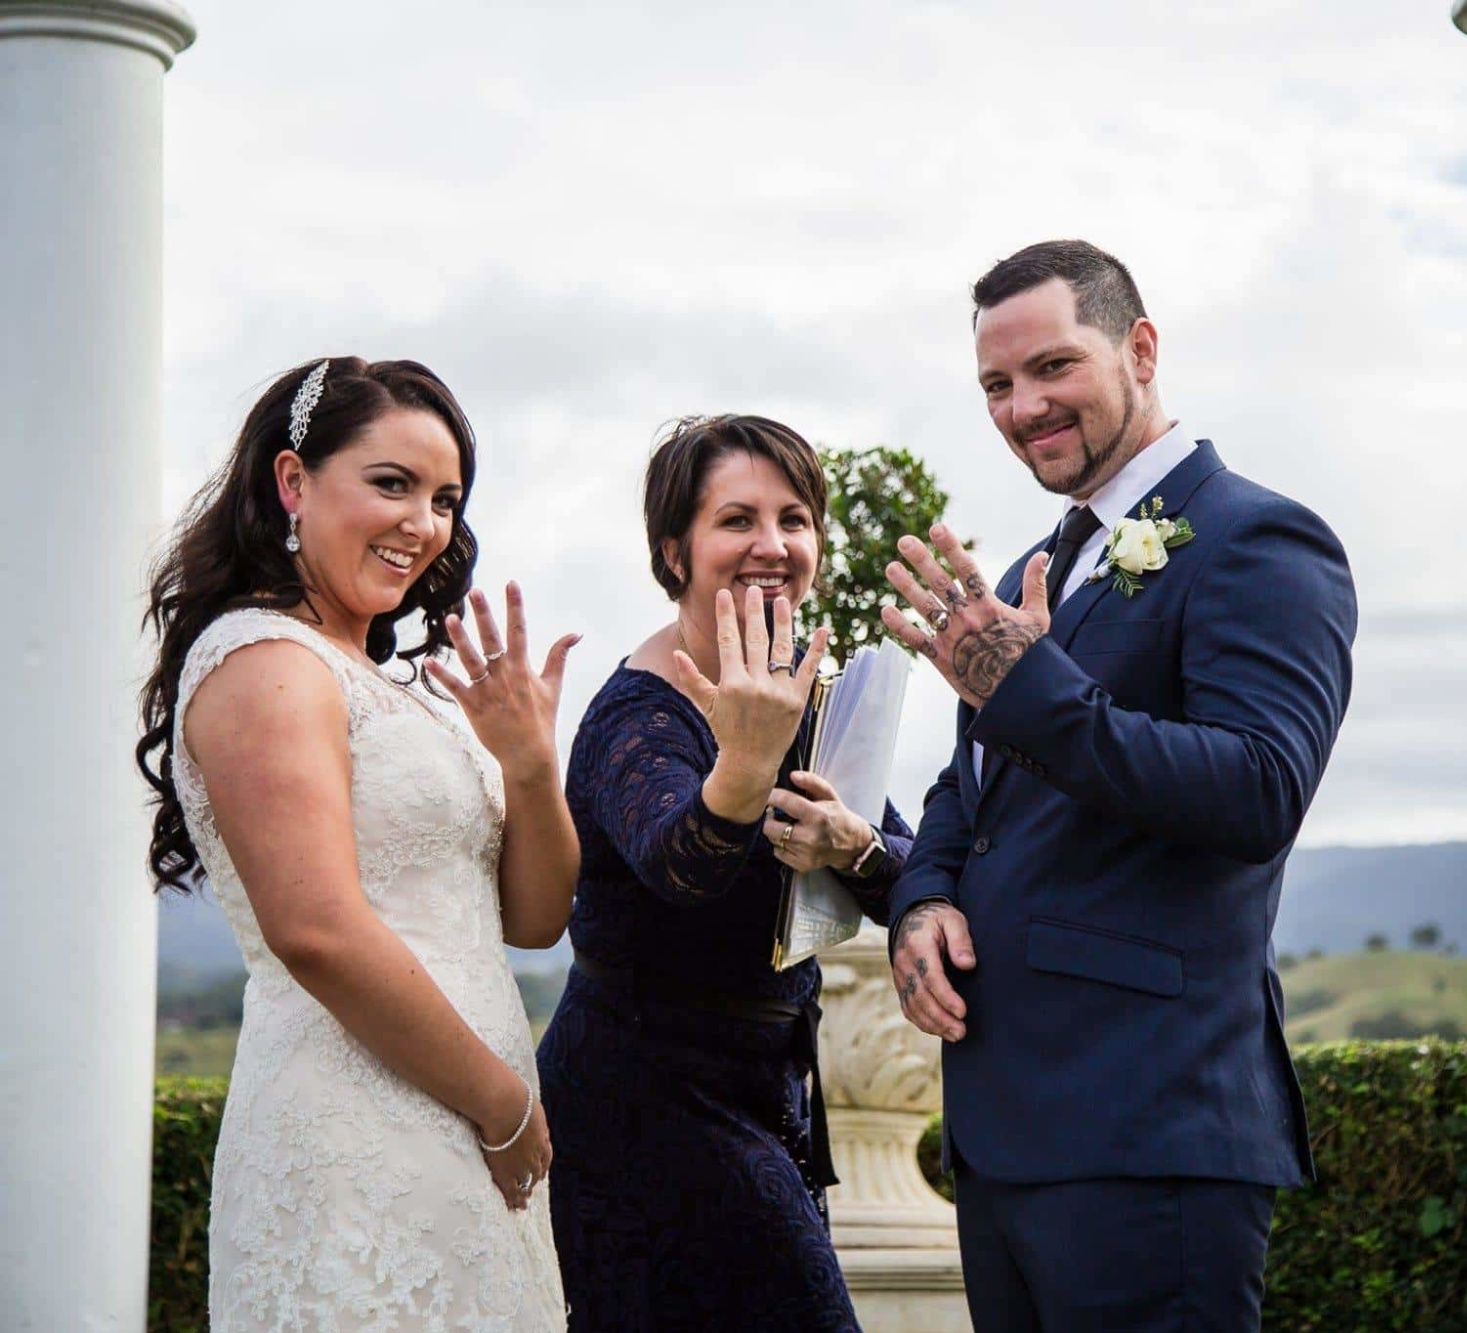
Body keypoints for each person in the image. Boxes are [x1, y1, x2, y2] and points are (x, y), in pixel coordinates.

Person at [880, 240, 1358, 1332]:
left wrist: (1030, 686)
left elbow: (1258, 787)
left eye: (1052, 367)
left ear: (1139, 349)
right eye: (996, 385)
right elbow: (970, 789)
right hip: (1005, 1131)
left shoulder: (1259, 539)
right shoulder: (1028, 575)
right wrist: (923, 899)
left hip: (1149, 1127)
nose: (1022, 407)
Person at [137, 357, 576, 1328]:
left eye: (444, 498)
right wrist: (502, 1104)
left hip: (467, 1153)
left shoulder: (388, 683)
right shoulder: (263, 661)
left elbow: (536, 922)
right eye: (392, 483)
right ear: (293, 481)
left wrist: (530, 768)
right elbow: (316, 929)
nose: (424, 522)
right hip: (357, 1141)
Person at [535, 413, 914, 1331]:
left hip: (767, 1095)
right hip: (646, 1101)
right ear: (676, 551)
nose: (772, 545)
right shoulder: (637, 716)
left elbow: (909, 871)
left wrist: (852, 842)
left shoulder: (804, 687)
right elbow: (681, 866)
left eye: (794, 519)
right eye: (736, 519)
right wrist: (745, 762)